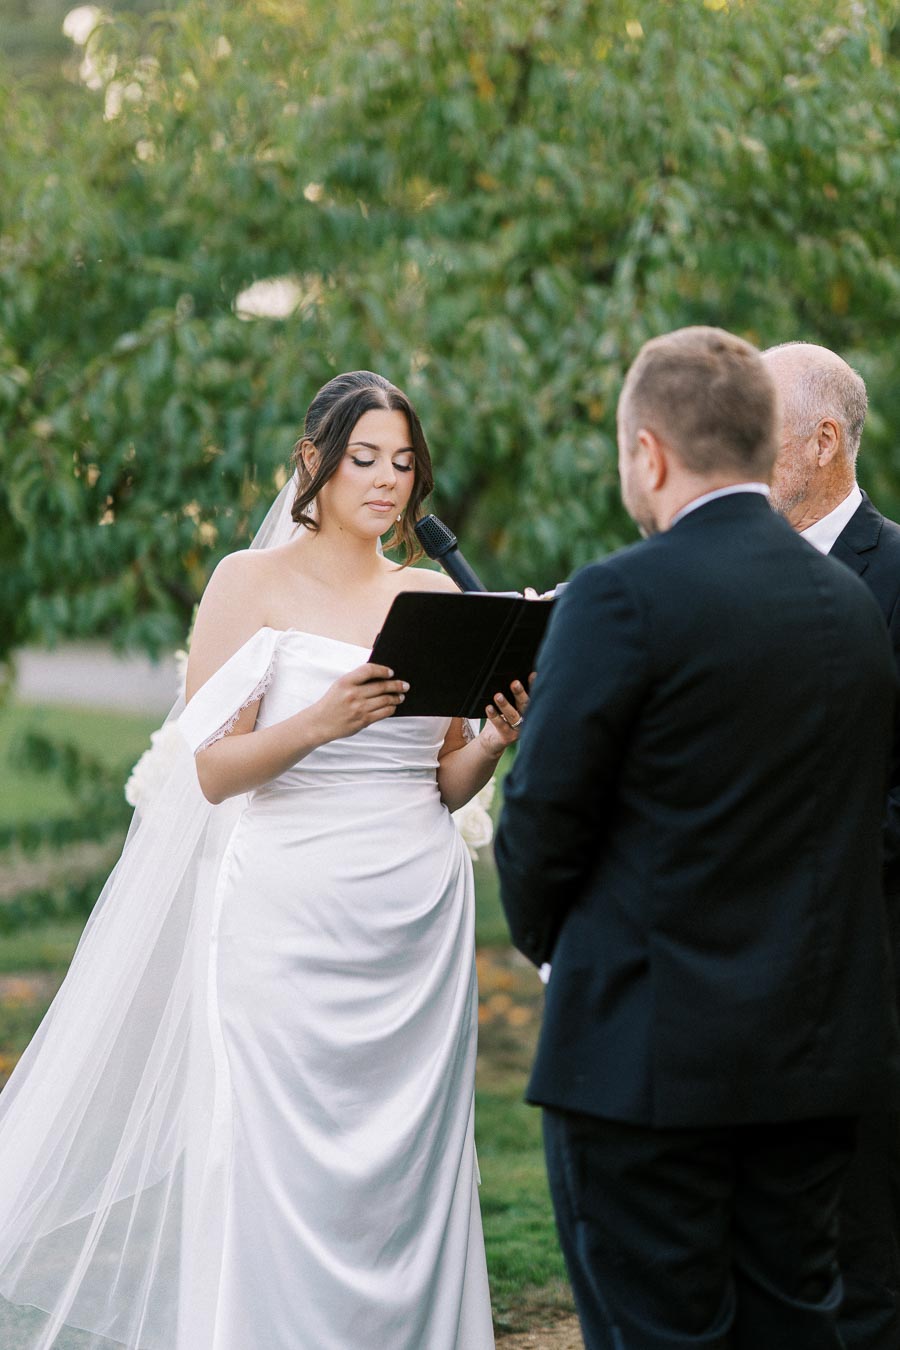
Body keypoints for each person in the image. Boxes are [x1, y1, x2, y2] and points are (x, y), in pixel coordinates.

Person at [0, 371, 530, 1349]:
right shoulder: (249, 582)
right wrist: (323, 722)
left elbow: (445, 783)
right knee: (272, 1161)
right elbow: (210, 771)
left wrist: (493, 739)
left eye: (404, 462)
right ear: (313, 465)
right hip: (284, 916)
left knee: (403, 1175)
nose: (387, 479)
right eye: (365, 457)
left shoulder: (432, 594)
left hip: (413, 921)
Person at [494, 326, 900, 1350]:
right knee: (795, 1326)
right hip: (812, 1058)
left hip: (646, 1065)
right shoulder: (851, 605)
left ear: (650, 453)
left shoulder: (616, 596)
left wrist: (564, 953)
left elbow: (539, 827)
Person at [763, 339, 900, 1350]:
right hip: (737, 982)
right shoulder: (727, 572)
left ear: (822, 440)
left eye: (750, 429)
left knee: (867, 1242)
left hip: (874, 960)